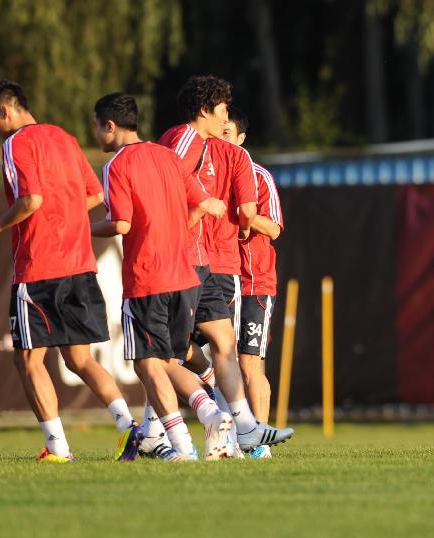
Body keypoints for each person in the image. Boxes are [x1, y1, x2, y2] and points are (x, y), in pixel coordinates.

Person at [0, 80, 142, 463]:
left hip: (39, 268)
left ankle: (58, 447)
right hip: (80, 264)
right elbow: (95, 196)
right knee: (80, 359)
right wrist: (63, 216)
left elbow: (31, 199)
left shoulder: (15, 144)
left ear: (5, 110)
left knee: (28, 361)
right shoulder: (64, 138)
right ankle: (126, 425)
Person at [90, 91, 235, 461]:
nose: (94, 134)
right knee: (169, 361)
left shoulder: (117, 166)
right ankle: (212, 412)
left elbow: (121, 222)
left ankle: (181, 446)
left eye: (96, 126)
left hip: (148, 277)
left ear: (110, 125)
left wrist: (84, 227)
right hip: (186, 275)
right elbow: (204, 202)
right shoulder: (168, 156)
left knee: (146, 363)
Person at [157, 75, 293, 454]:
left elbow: (268, 223)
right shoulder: (186, 141)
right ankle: (176, 435)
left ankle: (243, 432)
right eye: (221, 113)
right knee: (172, 354)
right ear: (206, 111)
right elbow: (170, 188)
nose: (224, 121)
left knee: (227, 351)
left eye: (229, 120)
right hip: (195, 263)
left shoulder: (236, 159)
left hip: (234, 272)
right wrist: (203, 204)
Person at [221, 109, 284, 459]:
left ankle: (260, 442)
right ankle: (227, 435)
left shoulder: (259, 177)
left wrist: (245, 216)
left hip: (254, 282)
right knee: (214, 360)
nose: (221, 137)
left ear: (242, 138)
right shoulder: (209, 175)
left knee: (249, 363)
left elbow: (273, 228)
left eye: (227, 132)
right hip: (218, 279)